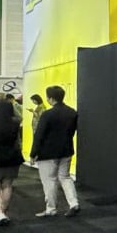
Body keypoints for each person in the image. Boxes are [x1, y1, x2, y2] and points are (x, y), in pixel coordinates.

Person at [30, 85, 80, 218]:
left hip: (48, 153)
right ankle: (74, 203)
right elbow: (72, 131)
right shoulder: (72, 112)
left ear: (51, 99)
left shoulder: (47, 114)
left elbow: (39, 135)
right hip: (66, 150)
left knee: (49, 180)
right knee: (65, 177)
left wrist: (33, 153)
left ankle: (51, 209)